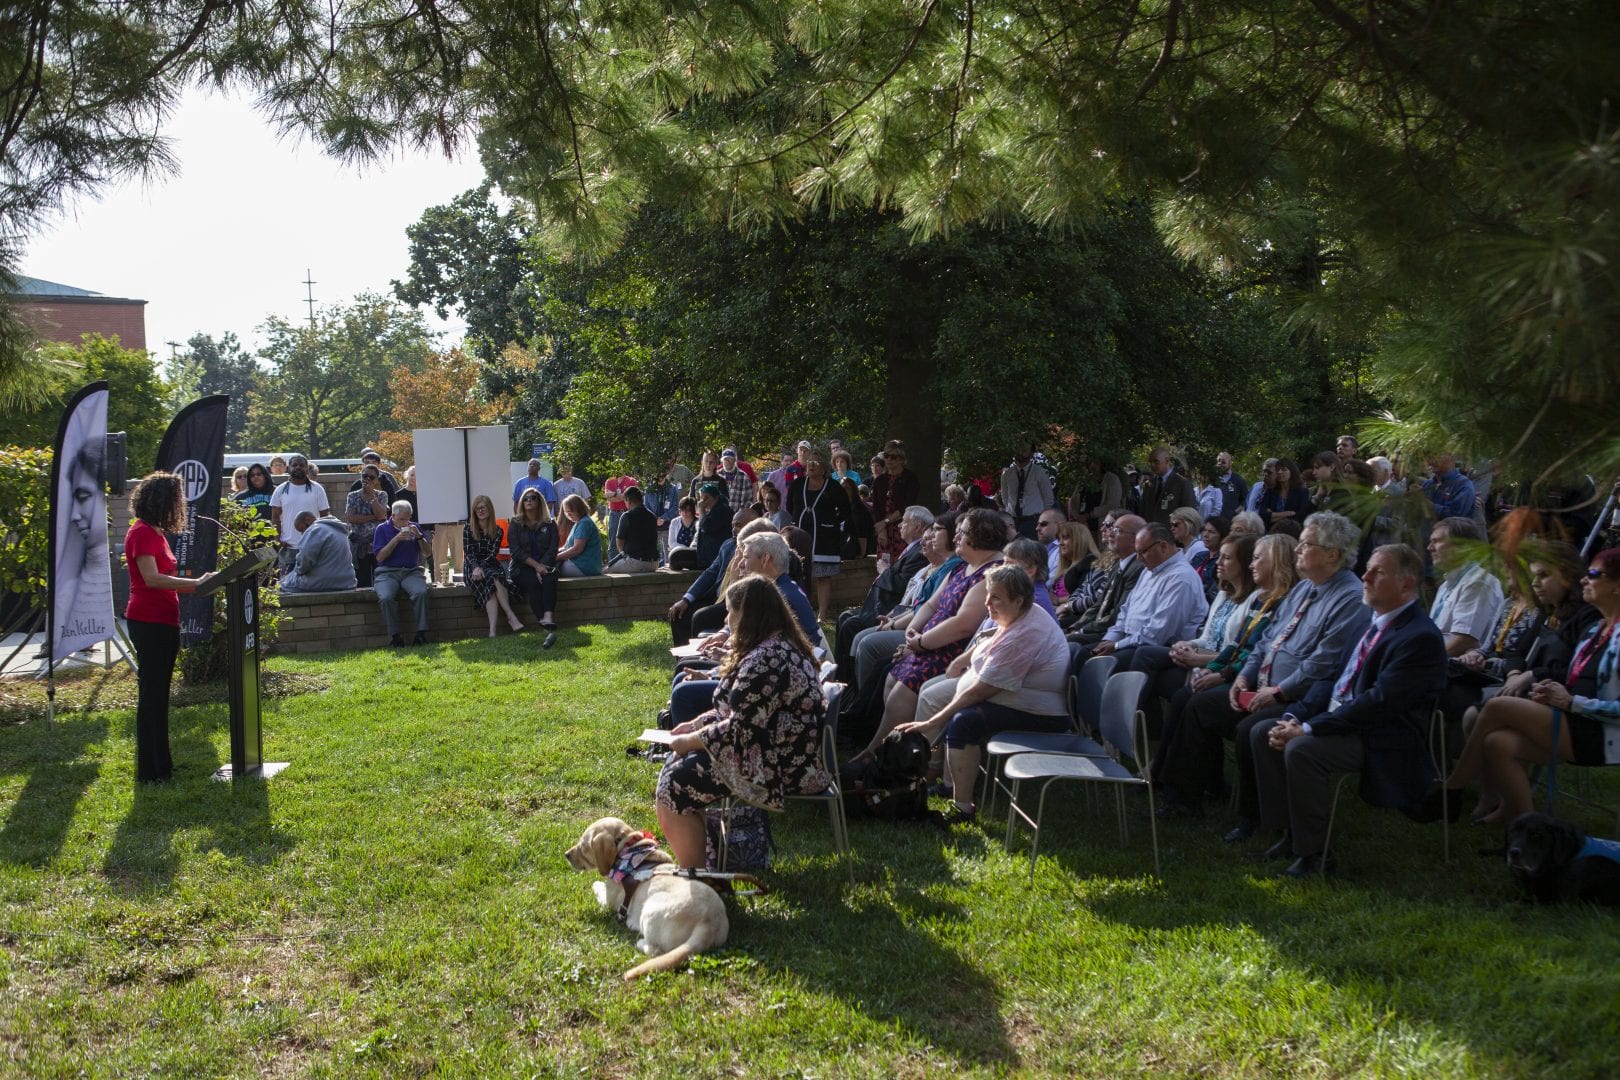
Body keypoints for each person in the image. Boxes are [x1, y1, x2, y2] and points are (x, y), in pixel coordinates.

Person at [1165, 512, 1370, 839]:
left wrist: (1277, 692)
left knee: (1251, 729)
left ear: (1333, 555)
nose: (1298, 550)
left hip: (1302, 697)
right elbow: (1266, 640)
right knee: (1197, 704)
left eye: (1306, 544)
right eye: (1299, 543)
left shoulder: (1349, 598)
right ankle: (1183, 798)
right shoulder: (1304, 590)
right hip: (1260, 685)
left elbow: (1324, 663)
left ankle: (1256, 819)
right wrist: (1244, 677)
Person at [1250, 543, 1447, 875]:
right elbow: (1331, 679)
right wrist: (1293, 716)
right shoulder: (1369, 621)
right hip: (1345, 717)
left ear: (1407, 584)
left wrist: (1310, 728)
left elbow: (1378, 703)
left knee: (1302, 749)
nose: (1365, 577)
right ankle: (1291, 833)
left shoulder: (1419, 637)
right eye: (1367, 568)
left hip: (1382, 735)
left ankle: (1316, 855)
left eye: (1378, 572)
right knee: (1262, 731)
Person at [1427, 547, 1620, 827]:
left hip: (1604, 735)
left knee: (1496, 706)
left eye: (1594, 574)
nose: (1583, 580)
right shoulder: (1595, 630)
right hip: (1573, 716)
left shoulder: (1594, 626)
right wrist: (1554, 692)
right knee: (1498, 742)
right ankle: (1522, 825)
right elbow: (1562, 672)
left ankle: (1451, 789)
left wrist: (1569, 701)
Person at [655, 574, 829, 868]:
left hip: (777, 763)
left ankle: (696, 878)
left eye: (731, 611)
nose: (726, 618)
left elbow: (742, 728)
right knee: (676, 766)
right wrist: (696, 725)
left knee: (672, 786)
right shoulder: (773, 646)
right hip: (769, 749)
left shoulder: (768, 658)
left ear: (748, 614)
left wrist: (689, 740)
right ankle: (705, 867)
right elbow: (737, 714)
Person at [895, 564, 1069, 823]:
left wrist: (932, 722)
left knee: (965, 721)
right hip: (1009, 696)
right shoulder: (1016, 613)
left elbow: (979, 691)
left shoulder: (1026, 634)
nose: (987, 602)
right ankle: (932, 775)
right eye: (988, 594)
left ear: (1018, 599)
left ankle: (962, 808)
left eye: (995, 597)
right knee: (937, 696)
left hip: (1039, 712)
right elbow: (986, 645)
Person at [857, 508, 1005, 757]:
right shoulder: (962, 568)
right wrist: (913, 631)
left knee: (902, 689)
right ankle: (898, 750)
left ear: (981, 536)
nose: (956, 537)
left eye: (963, 533)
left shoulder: (992, 572)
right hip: (931, 643)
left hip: (957, 652)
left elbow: (964, 624)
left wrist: (922, 643)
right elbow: (931, 604)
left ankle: (878, 755)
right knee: (891, 678)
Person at [123, 472, 216, 782]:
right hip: (149, 621)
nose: (179, 507)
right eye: (175, 501)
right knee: (152, 695)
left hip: (163, 620)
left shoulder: (153, 532)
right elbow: (151, 578)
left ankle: (161, 766)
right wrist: (195, 584)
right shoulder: (142, 533)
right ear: (160, 501)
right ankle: (150, 771)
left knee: (159, 694)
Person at [1087, 522, 1208, 664]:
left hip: (1157, 650)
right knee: (1082, 653)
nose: (1138, 558)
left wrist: (1117, 645)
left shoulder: (1181, 578)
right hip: (1130, 642)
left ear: (1163, 546)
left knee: (1098, 663)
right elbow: (1125, 610)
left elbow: (1158, 633)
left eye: (1142, 552)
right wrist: (1110, 639)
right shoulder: (1148, 570)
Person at [1427, 517, 1506, 657]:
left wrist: (1424, 664)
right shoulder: (1446, 585)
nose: (1430, 548)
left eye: (1437, 541)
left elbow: (1465, 642)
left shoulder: (1479, 582)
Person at [787, 451, 851, 621]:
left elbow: (845, 510)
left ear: (824, 468)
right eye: (809, 462)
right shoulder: (797, 484)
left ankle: (822, 614)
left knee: (823, 575)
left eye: (816, 462)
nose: (811, 465)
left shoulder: (833, 487)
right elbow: (789, 505)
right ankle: (798, 612)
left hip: (824, 538)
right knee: (797, 573)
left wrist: (831, 524)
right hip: (800, 535)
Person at [373, 499, 432, 646]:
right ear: (392, 516)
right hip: (387, 572)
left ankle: (421, 634)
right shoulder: (382, 529)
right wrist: (396, 539)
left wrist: (419, 536)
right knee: (386, 597)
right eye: (401, 519)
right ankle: (395, 637)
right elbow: (380, 557)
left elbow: (427, 553)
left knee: (420, 593)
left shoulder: (415, 527)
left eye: (408, 519)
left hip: (411, 571)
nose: (405, 523)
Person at [464, 494, 525, 636]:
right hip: (471, 567)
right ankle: (511, 617)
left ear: (490, 509)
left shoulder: (498, 531)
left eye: (483, 508)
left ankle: (493, 631)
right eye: (477, 508)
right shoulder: (468, 528)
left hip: (490, 564)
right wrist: (476, 567)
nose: (480, 511)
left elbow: (492, 554)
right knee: (492, 581)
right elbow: (468, 552)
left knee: (492, 578)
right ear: (474, 511)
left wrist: (481, 567)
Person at [508, 488, 560, 643]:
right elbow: (516, 552)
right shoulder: (515, 524)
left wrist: (542, 566)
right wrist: (536, 566)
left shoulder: (550, 524)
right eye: (525, 499)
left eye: (533, 498)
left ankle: (548, 616)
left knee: (550, 578)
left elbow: (553, 549)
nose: (529, 501)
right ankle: (543, 622)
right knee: (532, 582)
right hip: (521, 567)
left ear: (540, 502)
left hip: (546, 565)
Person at [269, 454, 330, 573]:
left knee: (313, 582)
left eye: (302, 465)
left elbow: (325, 516)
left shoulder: (317, 488)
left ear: (307, 468)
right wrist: (278, 540)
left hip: (313, 545)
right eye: (294, 465)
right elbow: (275, 518)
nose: (298, 467)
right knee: (287, 586)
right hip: (288, 547)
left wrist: (322, 540)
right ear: (288, 468)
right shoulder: (280, 489)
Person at [280, 511, 356, 593]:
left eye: (302, 529)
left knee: (283, 584)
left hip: (325, 583)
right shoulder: (339, 530)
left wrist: (296, 572)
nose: (303, 533)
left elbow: (304, 563)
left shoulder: (314, 530)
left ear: (308, 520)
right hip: (347, 582)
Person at [870, 444, 920, 563]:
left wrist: (885, 522)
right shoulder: (879, 480)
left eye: (893, 457)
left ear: (902, 459)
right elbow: (876, 507)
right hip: (883, 530)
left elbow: (907, 507)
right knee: (884, 565)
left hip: (903, 527)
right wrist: (881, 530)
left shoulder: (910, 478)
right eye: (886, 456)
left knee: (902, 564)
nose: (889, 460)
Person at [344, 462, 392, 586]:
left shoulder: (382, 495)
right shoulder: (353, 496)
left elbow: (382, 515)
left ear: (376, 480)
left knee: (380, 579)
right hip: (359, 545)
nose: (367, 479)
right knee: (362, 580)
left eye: (371, 477)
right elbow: (351, 518)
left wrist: (372, 498)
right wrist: (374, 517)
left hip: (378, 545)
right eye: (365, 476)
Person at [1000, 446, 1055, 538]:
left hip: (1033, 521)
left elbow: (1048, 499)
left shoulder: (1039, 472)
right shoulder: (1007, 474)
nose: (1021, 452)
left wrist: (1040, 518)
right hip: (1013, 521)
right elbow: (1005, 498)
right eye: (1018, 449)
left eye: (1025, 449)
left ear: (1032, 453)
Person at [1139, 446, 1198, 525]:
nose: (1152, 465)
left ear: (1167, 461)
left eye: (1156, 462)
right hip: (1150, 532)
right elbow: (1143, 511)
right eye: (1150, 462)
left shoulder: (1182, 484)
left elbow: (1189, 514)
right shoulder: (1148, 484)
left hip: (1171, 534)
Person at [612, 486, 660, 573]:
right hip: (654, 563)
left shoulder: (627, 516)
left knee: (606, 571)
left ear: (628, 501)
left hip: (637, 562)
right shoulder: (652, 516)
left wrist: (625, 555)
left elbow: (619, 543)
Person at [1052, 519, 1102, 602]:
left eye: (1065, 538)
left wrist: (1058, 600)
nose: (1061, 543)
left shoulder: (1090, 563)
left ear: (1079, 540)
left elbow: (1087, 595)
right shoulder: (1065, 566)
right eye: (1059, 539)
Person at [556, 493, 604, 577]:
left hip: (584, 567)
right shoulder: (578, 522)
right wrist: (552, 552)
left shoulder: (584, 523)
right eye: (566, 512)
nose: (568, 515)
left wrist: (556, 557)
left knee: (547, 569)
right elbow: (566, 547)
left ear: (579, 509)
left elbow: (577, 549)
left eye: (570, 512)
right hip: (580, 565)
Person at [1423, 452, 1476, 521]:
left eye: (1438, 456)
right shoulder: (1427, 484)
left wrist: (1430, 506)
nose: (1432, 461)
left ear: (1452, 457)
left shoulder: (1463, 484)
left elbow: (1455, 517)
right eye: (1430, 457)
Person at [602, 470, 638, 553]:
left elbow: (629, 497)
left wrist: (614, 494)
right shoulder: (609, 481)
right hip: (614, 513)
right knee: (613, 542)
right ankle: (613, 564)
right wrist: (622, 496)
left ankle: (628, 563)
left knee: (629, 539)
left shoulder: (631, 481)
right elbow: (608, 497)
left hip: (628, 513)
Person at [840, 476, 876, 559]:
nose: (843, 490)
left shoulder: (858, 509)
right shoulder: (842, 507)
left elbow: (862, 533)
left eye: (847, 488)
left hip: (856, 549)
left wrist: (862, 554)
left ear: (853, 490)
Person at [717, 447, 754, 512]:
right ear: (722, 461)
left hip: (737, 516)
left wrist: (739, 515)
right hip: (719, 514)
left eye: (730, 459)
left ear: (735, 460)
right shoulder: (717, 476)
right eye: (725, 459)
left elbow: (748, 500)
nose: (727, 461)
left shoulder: (744, 477)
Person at [1213, 451, 1249, 520]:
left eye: (1223, 462)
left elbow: (1245, 500)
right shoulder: (1212, 480)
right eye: (1218, 461)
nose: (1220, 463)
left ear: (1230, 463)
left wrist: (1234, 513)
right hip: (1214, 521)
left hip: (1231, 521)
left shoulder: (1238, 480)